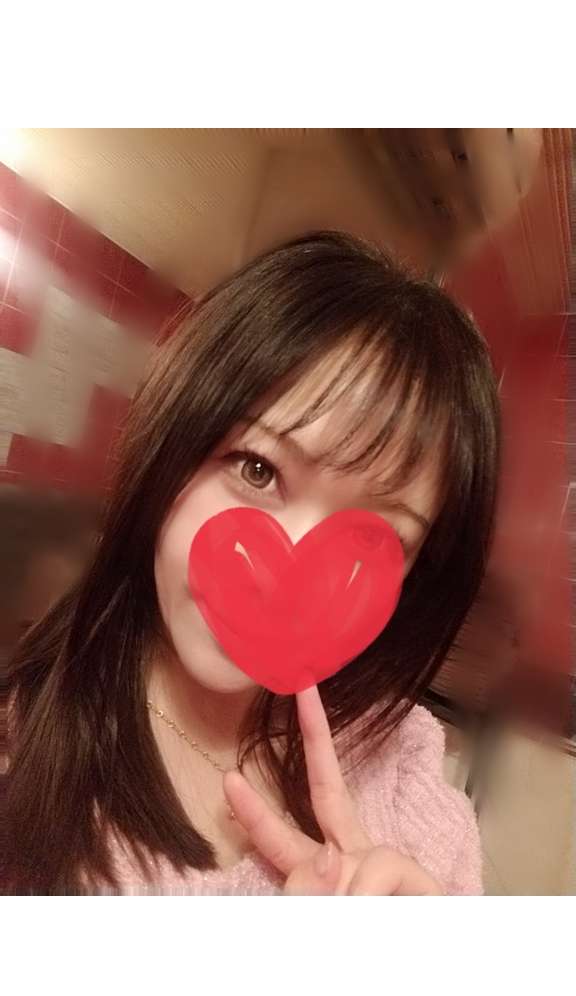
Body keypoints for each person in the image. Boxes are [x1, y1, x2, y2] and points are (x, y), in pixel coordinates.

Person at [3, 231, 500, 895]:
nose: (290, 577)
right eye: (257, 469)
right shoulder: (17, 755)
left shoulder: (406, 769)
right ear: (174, 442)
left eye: (374, 534)